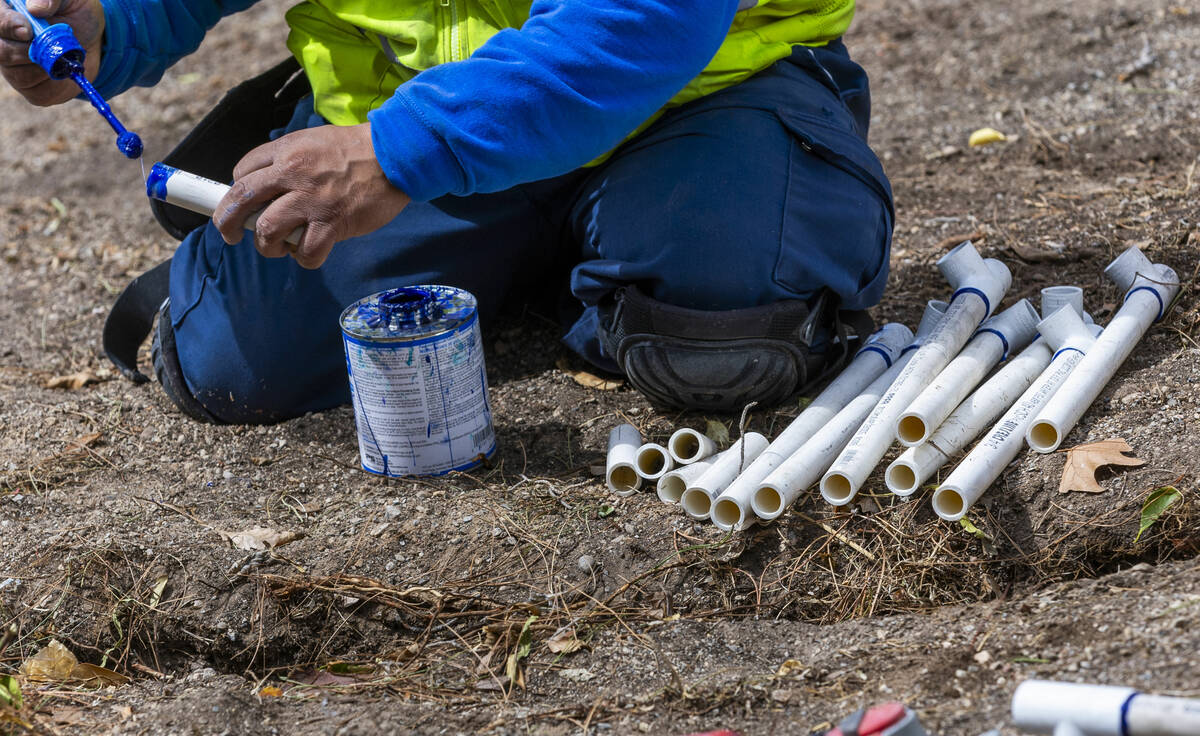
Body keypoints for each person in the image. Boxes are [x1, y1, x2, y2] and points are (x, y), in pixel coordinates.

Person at [0, 0, 893, 423]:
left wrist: (394, 155)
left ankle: (654, 229)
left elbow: (646, 19)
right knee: (231, 367)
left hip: (695, 93)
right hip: (404, 108)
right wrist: (114, 21)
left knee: (723, 338)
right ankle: (577, 255)